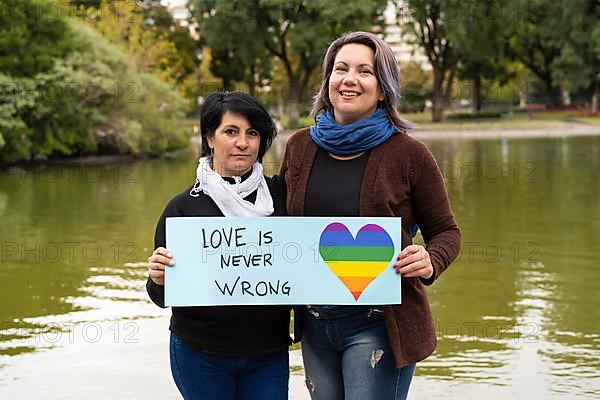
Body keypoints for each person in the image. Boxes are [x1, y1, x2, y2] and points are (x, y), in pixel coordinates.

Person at [279, 31, 461, 400]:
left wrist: (429, 259)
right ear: (328, 81)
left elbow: (446, 232)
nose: (349, 78)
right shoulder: (299, 147)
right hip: (314, 323)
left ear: (382, 90)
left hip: (379, 324)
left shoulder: (409, 154)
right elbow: (275, 225)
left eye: (365, 71)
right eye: (340, 68)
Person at [146, 92, 292, 400]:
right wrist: (159, 278)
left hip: (268, 354)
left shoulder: (281, 197)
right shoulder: (183, 209)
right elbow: (160, 297)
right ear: (210, 138)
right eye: (231, 132)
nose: (243, 142)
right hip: (201, 356)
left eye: (252, 133)